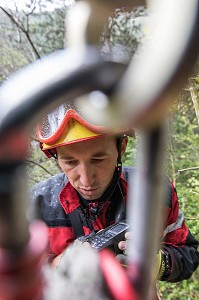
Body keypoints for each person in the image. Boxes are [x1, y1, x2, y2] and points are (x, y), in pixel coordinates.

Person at [31, 102, 199, 283]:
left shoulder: (155, 192)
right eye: (70, 162)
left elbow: (188, 253)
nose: (86, 180)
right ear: (55, 156)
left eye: (98, 159)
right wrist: (59, 264)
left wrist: (160, 263)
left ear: (122, 147)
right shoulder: (36, 206)